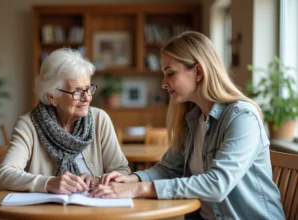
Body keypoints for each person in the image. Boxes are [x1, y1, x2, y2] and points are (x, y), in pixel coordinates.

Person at [89, 31, 285, 220]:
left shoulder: (242, 117)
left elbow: (218, 184)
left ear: (198, 71)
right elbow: (168, 169)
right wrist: (131, 180)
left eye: (170, 73)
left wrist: (139, 189)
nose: (163, 84)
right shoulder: (193, 119)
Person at [0, 48, 130, 194]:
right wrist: (48, 183)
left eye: (88, 88)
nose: (87, 98)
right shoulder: (28, 125)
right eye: (77, 91)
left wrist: (99, 179)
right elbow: (4, 175)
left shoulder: (100, 120)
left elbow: (122, 170)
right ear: (52, 97)